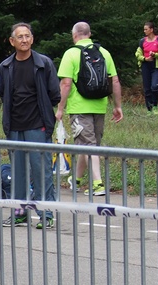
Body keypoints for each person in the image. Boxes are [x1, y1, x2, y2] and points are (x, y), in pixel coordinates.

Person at [0, 22, 61, 229]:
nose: (24, 40)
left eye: (27, 36)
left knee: (41, 171)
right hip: (14, 126)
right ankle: (20, 213)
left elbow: (54, 94)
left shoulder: (44, 63)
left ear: (32, 39)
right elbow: (2, 93)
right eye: (20, 37)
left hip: (38, 126)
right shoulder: (5, 66)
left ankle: (47, 214)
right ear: (12, 41)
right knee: (18, 173)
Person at [55, 21, 122, 197]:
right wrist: (117, 106)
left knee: (88, 146)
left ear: (74, 35)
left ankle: (98, 185)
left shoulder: (71, 54)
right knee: (90, 146)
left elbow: (66, 83)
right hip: (100, 106)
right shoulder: (104, 53)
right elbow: (114, 80)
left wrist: (60, 108)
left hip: (79, 107)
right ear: (89, 34)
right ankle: (75, 180)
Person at [136, 22, 158, 116]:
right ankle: (149, 109)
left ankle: (155, 105)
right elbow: (137, 54)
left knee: (155, 86)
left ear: (151, 30)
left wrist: (155, 54)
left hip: (155, 66)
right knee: (147, 89)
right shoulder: (142, 41)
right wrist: (144, 58)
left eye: (146, 29)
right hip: (145, 66)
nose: (144, 31)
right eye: (144, 29)